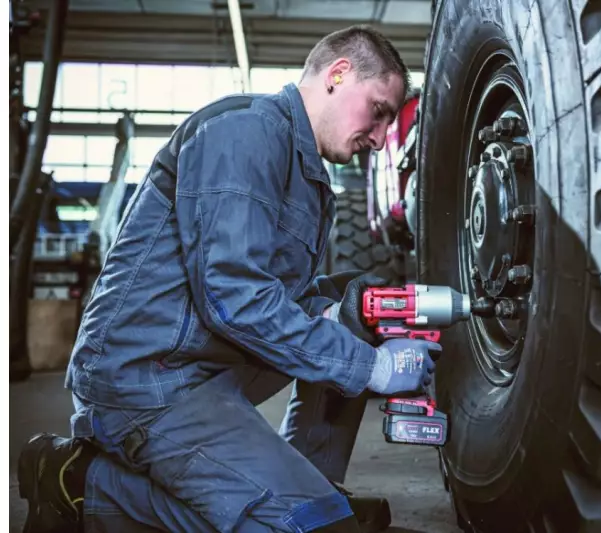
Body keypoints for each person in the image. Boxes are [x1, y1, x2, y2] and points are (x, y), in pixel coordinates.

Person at [18, 25, 441, 533]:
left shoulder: (308, 174)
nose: (378, 138)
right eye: (378, 112)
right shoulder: (246, 134)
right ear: (338, 75)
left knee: (362, 300)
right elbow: (233, 298)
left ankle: (312, 482)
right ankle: (82, 485)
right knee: (312, 526)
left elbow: (280, 298)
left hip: (203, 366)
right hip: (148, 382)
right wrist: (371, 367)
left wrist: (350, 320)